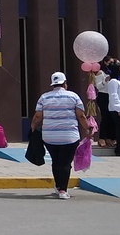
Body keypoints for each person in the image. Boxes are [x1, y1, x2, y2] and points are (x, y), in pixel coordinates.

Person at [30, 71, 91, 199]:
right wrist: (88, 128)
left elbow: (37, 116)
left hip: (49, 137)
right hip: (69, 136)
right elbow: (81, 115)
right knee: (65, 163)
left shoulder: (44, 97)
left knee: (56, 161)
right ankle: (63, 190)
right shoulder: (73, 96)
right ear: (65, 83)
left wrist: (33, 127)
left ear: (53, 84)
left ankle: (58, 186)